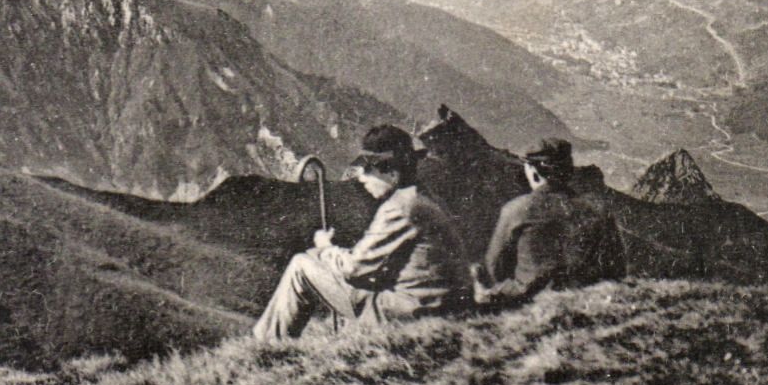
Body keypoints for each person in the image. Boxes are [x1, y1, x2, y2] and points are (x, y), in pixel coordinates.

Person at [253, 124, 473, 340]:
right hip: (442, 308)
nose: (361, 177)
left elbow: (354, 268)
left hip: (411, 314)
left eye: (369, 170)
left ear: (393, 174)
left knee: (301, 264)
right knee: (317, 259)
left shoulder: (400, 207)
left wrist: (325, 248)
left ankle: (267, 344)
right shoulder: (425, 198)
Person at [472, 138, 627, 308]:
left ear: (534, 171)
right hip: (585, 301)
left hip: (530, 303)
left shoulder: (517, 209)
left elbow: (494, 268)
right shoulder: (597, 209)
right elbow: (617, 268)